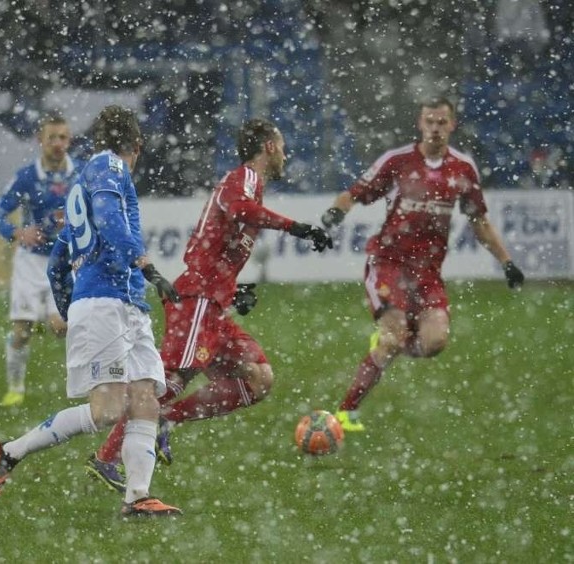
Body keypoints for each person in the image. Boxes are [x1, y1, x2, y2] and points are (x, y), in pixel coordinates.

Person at [85, 118, 334, 492]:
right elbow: (239, 210)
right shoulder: (245, 178)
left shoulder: (250, 185)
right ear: (268, 146)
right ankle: (106, 457)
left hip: (212, 302)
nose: (284, 154)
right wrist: (297, 227)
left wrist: (234, 290)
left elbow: (214, 245)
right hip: (197, 300)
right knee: (168, 382)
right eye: (281, 146)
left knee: (257, 377)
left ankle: (166, 420)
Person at [0, 105, 182, 517]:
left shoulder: (82, 182)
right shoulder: (109, 167)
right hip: (109, 302)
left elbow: (58, 262)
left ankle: (137, 497)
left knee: (146, 397)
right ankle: (9, 452)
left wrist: (67, 307)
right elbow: (111, 220)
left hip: (123, 303)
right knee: (107, 411)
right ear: (137, 146)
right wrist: (144, 264)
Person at [319, 97, 526, 432]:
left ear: (452, 125)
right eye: (429, 121)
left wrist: (507, 262)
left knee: (434, 343)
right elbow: (355, 192)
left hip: (427, 274)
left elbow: (479, 221)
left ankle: (391, 342)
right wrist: (336, 211)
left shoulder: (462, 169)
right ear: (419, 124)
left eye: (442, 122)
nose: (435, 128)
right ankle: (346, 413)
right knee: (393, 336)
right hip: (388, 264)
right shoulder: (397, 160)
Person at [0, 112, 77, 407]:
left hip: (64, 260)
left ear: (70, 140)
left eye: (62, 137)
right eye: (52, 137)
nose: (58, 143)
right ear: (40, 140)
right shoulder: (27, 177)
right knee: (21, 332)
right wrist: (17, 233)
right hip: (30, 263)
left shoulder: (81, 175)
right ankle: (15, 388)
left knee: (61, 328)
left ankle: (81, 383)